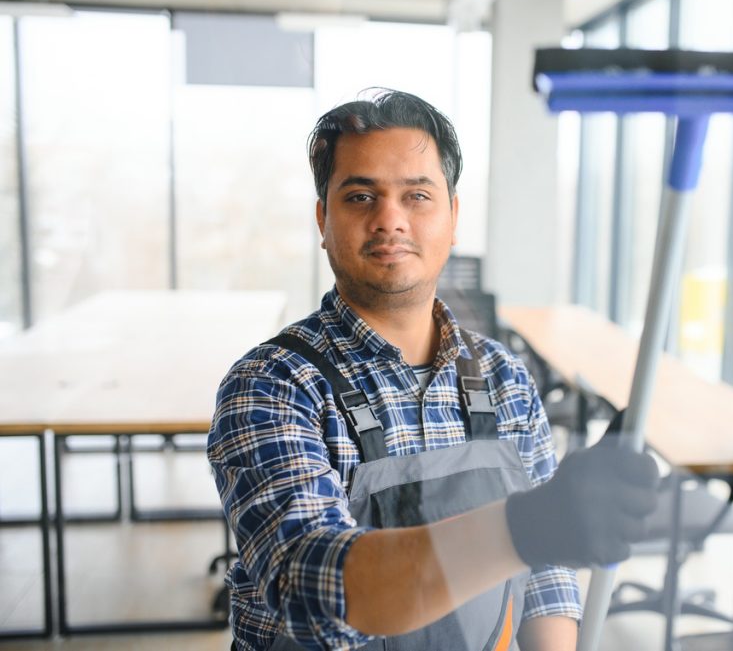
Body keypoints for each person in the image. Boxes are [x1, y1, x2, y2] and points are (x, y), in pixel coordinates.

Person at [208, 89, 659, 651]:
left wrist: (548, 539)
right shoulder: (273, 387)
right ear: (323, 220)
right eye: (360, 196)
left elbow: (546, 584)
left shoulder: (504, 380)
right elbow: (314, 585)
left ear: (453, 217)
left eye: (417, 195)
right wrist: (527, 526)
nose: (389, 219)